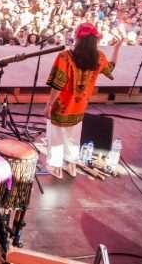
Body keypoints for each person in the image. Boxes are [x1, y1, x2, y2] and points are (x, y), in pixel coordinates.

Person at [44, 23, 122, 179]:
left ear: (78, 37)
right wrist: (117, 48)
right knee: (73, 135)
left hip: (62, 105)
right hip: (79, 106)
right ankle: (71, 165)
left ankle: (56, 167)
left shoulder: (65, 57)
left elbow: (58, 84)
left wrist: (49, 104)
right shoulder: (99, 57)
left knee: (57, 136)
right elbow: (110, 68)